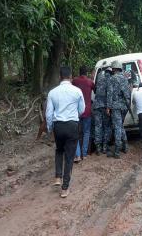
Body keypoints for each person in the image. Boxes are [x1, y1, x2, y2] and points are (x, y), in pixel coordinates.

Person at [46, 66, 85, 198]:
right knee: (69, 157)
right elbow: (82, 110)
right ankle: (65, 188)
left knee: (59, 150)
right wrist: (74, 116)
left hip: (58, 126)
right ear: (71, 76)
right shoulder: (77, 91)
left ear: (59, 77)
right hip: (72, 125)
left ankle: (58, 176)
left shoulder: (52, 92)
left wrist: (50, 128)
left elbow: (49, 114)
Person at [107, 60, 131, 158]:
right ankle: (125, 146)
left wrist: (108, 107)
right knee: (120, 126)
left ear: (114, 69)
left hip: (116, 107)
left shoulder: (112, 79)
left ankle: (117, 151)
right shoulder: (125, 79)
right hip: (124, 106)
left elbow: (109, 94)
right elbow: (127, 94)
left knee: (117, 127)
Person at [72, 66, 95, 162]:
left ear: (79, 72)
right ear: (86, 73)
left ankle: (77, 155)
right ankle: (84, 154)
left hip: (76, 112)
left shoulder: (74, 81)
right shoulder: (90, 82)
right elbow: (96, 90)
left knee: (76, 133)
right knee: (86, 132)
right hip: (87, 111)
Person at [93, 63, 112, 155]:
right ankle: (104, 147)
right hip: (104, 106)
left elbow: (95, 89)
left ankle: (98, 148)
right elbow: (109, 93)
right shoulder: (109, 77)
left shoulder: (99, 75)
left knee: (98, 126)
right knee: (106, 126)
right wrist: (109, 107)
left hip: (97, 105)